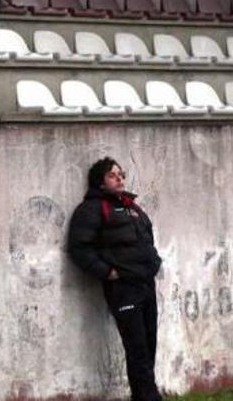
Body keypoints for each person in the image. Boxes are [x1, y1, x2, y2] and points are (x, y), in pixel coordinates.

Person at [68, 157, 164, 401]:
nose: (120, 178)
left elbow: (147, 240)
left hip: (145, 284)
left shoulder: (133, 207)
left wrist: (153, 262)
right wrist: (108, 273)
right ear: (100, 183)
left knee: (149, 345)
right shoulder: (92, 209)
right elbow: (79, 249)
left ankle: (142, 395)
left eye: (121, 174)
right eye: (113, 175)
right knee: (137, 349)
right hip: (123, 289)